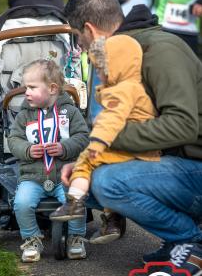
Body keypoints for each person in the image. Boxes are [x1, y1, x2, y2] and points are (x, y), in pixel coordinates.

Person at [60, 0, 202, 276]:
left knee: (108, 183)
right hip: (180, 163)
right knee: (81, 182)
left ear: (90, 30)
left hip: (196, 167)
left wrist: (106, 144)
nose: (81, 50)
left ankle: (191, 241)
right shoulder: (126, 57)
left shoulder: (159, 50)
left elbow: (184, 125)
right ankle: (177, 240)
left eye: (78, 40)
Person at [50, 35, 160, 245]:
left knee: (85, 162)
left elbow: (112, 119)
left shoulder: (122, 90)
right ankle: (112, 218)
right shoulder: (137, 87)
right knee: (99, 169)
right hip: (142, 148)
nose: (98, 75)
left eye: (100, 69)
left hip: (128, 149)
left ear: (115, 67)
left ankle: (74, 203)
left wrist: (98, 142)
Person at [8, 59, 89, 263]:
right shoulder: (24, 115)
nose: (26, 92)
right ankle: (32, 239)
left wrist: (64, 147)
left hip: (65, 174)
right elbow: (13, 139)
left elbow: (82, 136)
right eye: (26, 87)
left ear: (52, 89)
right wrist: (27, 149)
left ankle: (76, 237)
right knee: (22, 203)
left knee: (75, 199)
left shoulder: (69, 112)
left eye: (32, 87)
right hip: (33, 176)